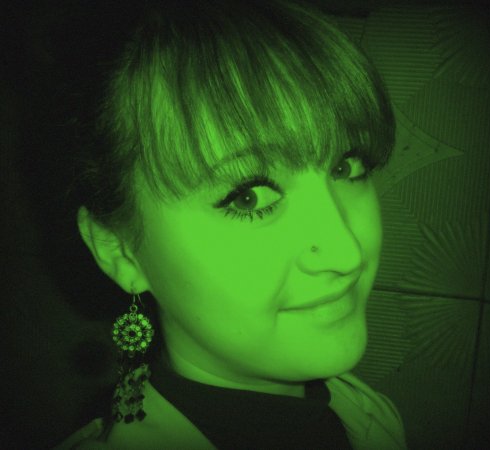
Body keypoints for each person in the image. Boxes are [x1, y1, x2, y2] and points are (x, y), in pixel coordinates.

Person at [53, 0, 407, 448]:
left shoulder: (366, 412)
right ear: (120, 251)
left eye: (346, 167)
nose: (347, 252)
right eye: (249, 196)